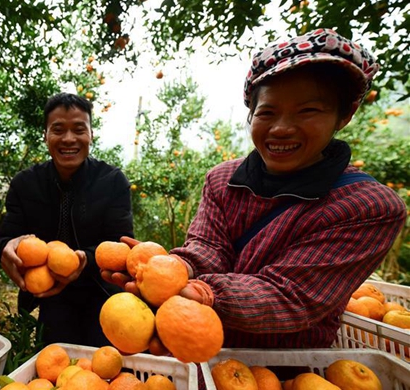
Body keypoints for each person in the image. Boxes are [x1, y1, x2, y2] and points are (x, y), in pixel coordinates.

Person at [104, 29, 407, 349]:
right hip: (201, 345)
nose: (281, 128)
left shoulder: (367, 206)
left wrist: (202, 293)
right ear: (251, 114)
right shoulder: (222, 180)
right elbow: (208, 248)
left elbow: (292, 294)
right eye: (267, 112)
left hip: (296, 369)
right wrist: (178, 268)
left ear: (344, 115)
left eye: (308, 111)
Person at [0, 92, 134, 347]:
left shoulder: (112, 181)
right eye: (58, 129)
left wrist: (84, 259)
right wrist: (6, 248)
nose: (69, 139)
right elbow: (6, 236)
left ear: (91, 134)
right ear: (46, 135)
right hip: (49, 294)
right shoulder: (26, 184)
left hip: (102, 295)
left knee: (106, 369)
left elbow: (120, 244)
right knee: (55, 367)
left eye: (79, 129)